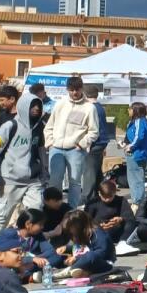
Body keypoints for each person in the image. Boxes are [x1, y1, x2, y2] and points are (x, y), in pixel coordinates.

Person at [0, 91, 45, 238]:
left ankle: (26, 247)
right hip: (9, 181)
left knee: (35, 215)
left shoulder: (39, 127)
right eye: (33, 106)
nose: (36, 109)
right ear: (24, 106)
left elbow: (41, 150)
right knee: (1, 219)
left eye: (38, 106)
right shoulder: (9, 126)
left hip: (33, 181)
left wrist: (45, 173)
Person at [45, 75, 99, 210]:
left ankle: (71, 211)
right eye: (71, 90)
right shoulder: (60, 104)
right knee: (54, 181)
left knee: (74, 182)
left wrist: (82, 144)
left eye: (77, 89)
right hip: (56, 148)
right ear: (67, 89)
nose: (74, 92)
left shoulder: (89, 108)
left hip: (76, 150)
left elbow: (94, 131)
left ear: (82, 89)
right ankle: (53, 209)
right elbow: (49, 125)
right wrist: (50, 142)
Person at [0, 209, 59, 283]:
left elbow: (50, 251)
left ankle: (26, 275)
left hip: (28, 265)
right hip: (10, 265)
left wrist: (35, 260)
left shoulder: (38, 236)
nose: (42, 227)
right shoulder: (9, 234)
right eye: (40, 224)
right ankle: (25, 276)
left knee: (56, 257)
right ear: (28, 224)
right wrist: (30, 259)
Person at [53, 209, 115, 278]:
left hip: (103, 263)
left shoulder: (98, 234)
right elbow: (83, 248)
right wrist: (66, 248)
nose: (69, 230)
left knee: (91, 255)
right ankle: (82, 272)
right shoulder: (79, 235)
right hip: (84, 262)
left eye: (70, 227)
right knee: (58, 256)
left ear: (79, 225)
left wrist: (77, 258)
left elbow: (101, 253)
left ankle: (69, 270)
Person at [80, 85, 110, 204]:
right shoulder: (100, 107)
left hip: (93, 143)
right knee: (97, 171)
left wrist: (87, 144)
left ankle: (86, 198)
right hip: (101, 142)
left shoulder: (91, 108)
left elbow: (90, 127)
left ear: (85, 94)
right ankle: (100, 194)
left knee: (89, 172)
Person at [123, 102, 147, 207]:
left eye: (130, 108)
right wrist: (125, 143)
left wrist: (131, 147)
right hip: (137, 153)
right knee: (133, 178)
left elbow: (139, 136)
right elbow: (131, 136)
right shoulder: (135, 122)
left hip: (137, 154)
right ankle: (136, 200)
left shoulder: (140, 121)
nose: (128, 110)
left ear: (136, 110)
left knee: (136, 179)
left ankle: (138, 202)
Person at [85, 179, 134, 243]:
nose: (107, 200)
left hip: (117, 228)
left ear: (114, 193)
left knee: (131, 224)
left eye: (110, 197)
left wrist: (120, 219)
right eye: (105, 197)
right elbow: (86, 221)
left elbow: (130, 217)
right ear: (99, 193)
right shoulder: (93, 203)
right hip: (99, 229)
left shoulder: (121, 200)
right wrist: (99, 226)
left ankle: (123, 242)